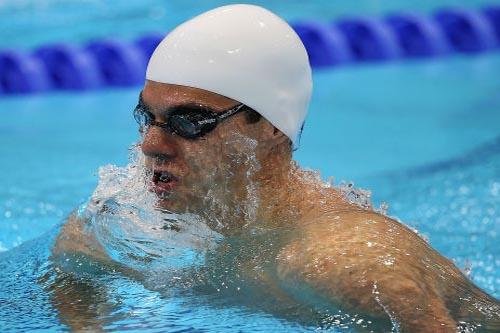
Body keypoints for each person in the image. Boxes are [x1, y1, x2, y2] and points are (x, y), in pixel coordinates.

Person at [53, 4, 499, 332]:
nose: (151, 144)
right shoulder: (122, 226)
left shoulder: (343, 262)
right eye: (147, 117)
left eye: (190, 122)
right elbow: (72, 276)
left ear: (270, 127)